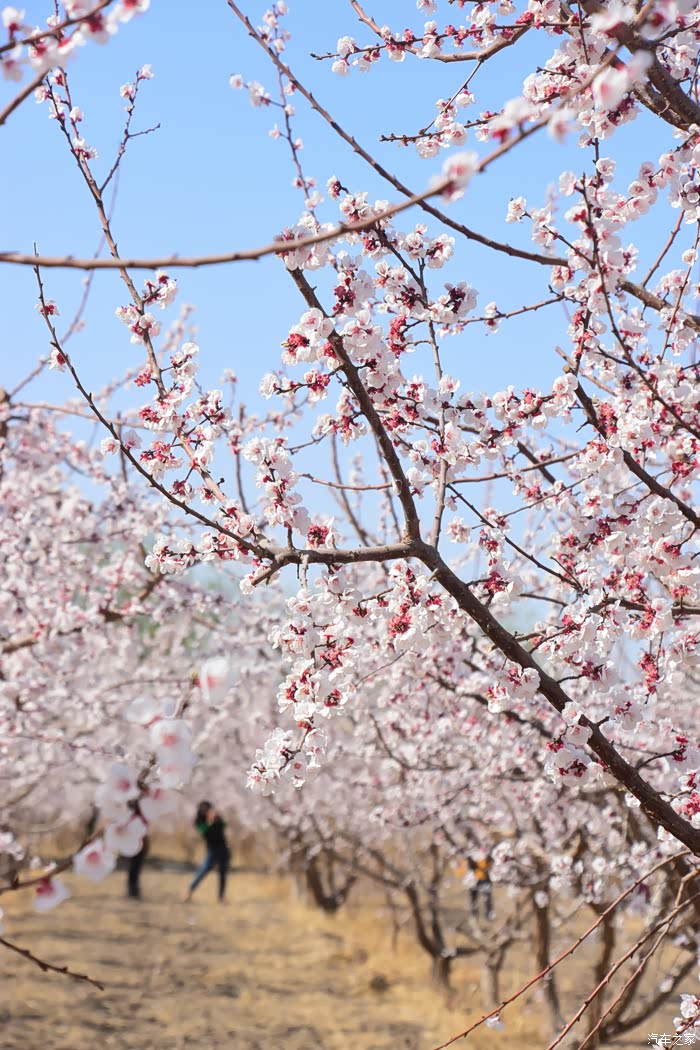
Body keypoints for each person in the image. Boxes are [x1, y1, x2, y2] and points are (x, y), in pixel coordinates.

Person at [184, 800, 231, 903]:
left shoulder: (217, 818)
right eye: (204, 809)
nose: (206, 811)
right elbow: (203, 831)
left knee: (223, 874)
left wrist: (217, 818)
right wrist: (210, 822)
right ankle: (189, 891)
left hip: (223, 848)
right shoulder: (199, 821)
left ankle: (221, 897)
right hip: (212, 850)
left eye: (207, 809)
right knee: (203, 871)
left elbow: (223, 825)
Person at [468, 853, 494, 921]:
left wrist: (487, 868)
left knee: (487, 898)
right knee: (473, 899)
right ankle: (474, 915)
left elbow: (491, 862)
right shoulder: (471, 853)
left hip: (485, 879)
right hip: (474, 879)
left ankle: (489, 914)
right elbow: (470, 864)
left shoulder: (488, 853)